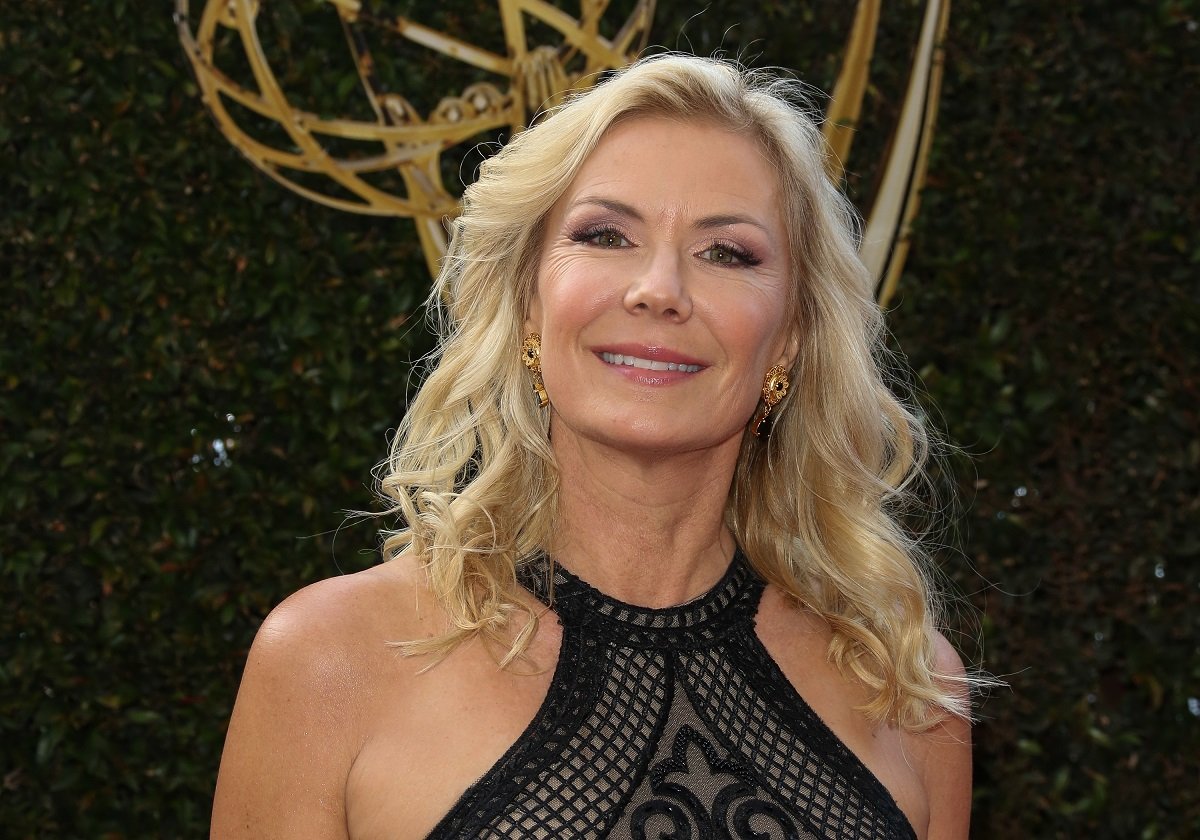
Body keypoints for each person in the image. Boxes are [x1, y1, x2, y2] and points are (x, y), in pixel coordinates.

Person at [211, 54, 975, 840]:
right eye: (606, 235)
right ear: (529, 305)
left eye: (727, 253)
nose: (659, 289)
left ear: (789, 341)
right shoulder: (331, 662)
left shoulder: (905, 687)